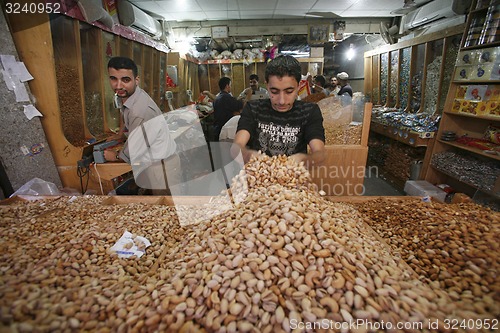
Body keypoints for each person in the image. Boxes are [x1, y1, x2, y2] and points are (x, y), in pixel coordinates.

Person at [104, 56, 180, 194]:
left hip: (161, 167)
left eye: (125, 80)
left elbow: (134, 151)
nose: (118, 85)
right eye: (113, 79)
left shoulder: (140, 111)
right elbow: (125, 113)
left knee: (164, 209)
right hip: (155, 163)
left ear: (136, 80)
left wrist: (114, 156)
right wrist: (121, 134)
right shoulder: (130, 95)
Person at [233, 55, 325, 166]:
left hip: (293, 179)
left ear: (298, 86)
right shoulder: (253, 109)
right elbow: (236, 148)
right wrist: (249, 156)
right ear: (267, 86)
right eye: (274, 91)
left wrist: (304, 160)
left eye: (289, 91)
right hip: (260, 177)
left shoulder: (309, 111)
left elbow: (320, 154)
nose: (281, 101)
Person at [210, 77, 249, 141]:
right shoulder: (226, 98)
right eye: (230, 85)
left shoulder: (217, 98)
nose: (231, 87)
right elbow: (242, 106)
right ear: (227, 86)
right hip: (224, 131)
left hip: (217, 129)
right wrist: (248, 95)